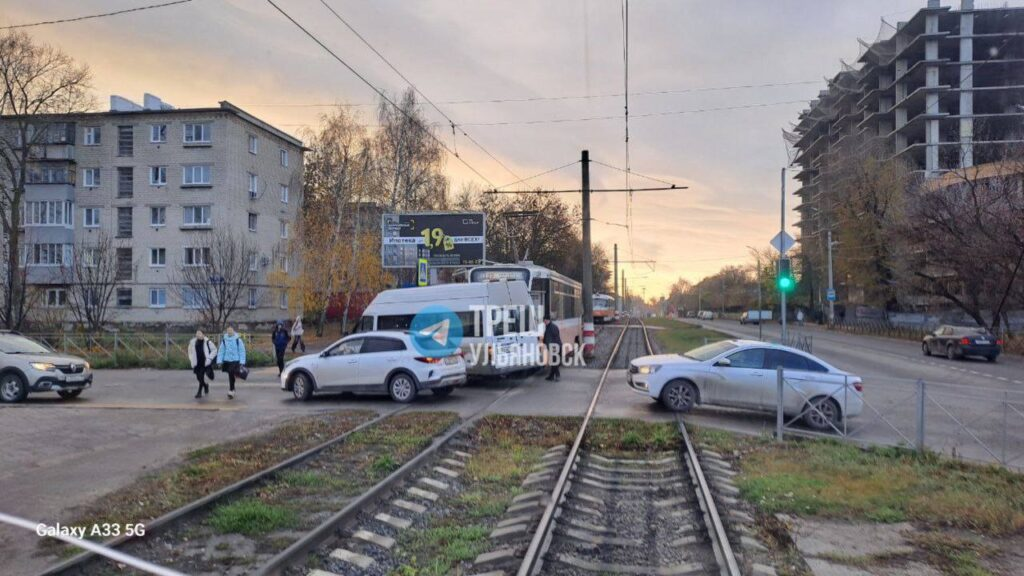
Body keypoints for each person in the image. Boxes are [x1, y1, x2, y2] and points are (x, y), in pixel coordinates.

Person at [216, 326, 247, 399]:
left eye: (231, 330)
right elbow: (221, 351)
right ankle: (233, 388)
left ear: (233, 331)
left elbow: (242, 351)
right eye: (228, 331)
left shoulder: (238, 340)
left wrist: (242, 362)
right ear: (227, 332)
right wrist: (219, 361)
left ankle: (231, 389)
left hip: (235, 360)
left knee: (231, 373)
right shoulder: (224, 340)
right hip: (227, 360)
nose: (229, 332)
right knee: (231, 374)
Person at [187, 330, 217, 399]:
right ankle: (205, 386)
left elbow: (214, 350)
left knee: (201, 376)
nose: (198, 335)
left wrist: (209, 358)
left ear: (203, 335)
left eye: (199, 333)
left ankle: (199, 392)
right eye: (197, 333)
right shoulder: (193, 342)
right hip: (197, 363)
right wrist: (191, 358)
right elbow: (190, 351)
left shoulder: (207, 341)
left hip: (204, 362)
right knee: (198, 378)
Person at [542, 314, 562, 382]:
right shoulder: (552, 326)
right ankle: (551, 376)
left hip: (554, 347)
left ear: (547, 320)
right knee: (553, 362)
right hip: (557, 346)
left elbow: (550, 339)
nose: (544, 322)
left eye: (544, 321)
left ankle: (557, 376)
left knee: (554, 362)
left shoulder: (550, 328)